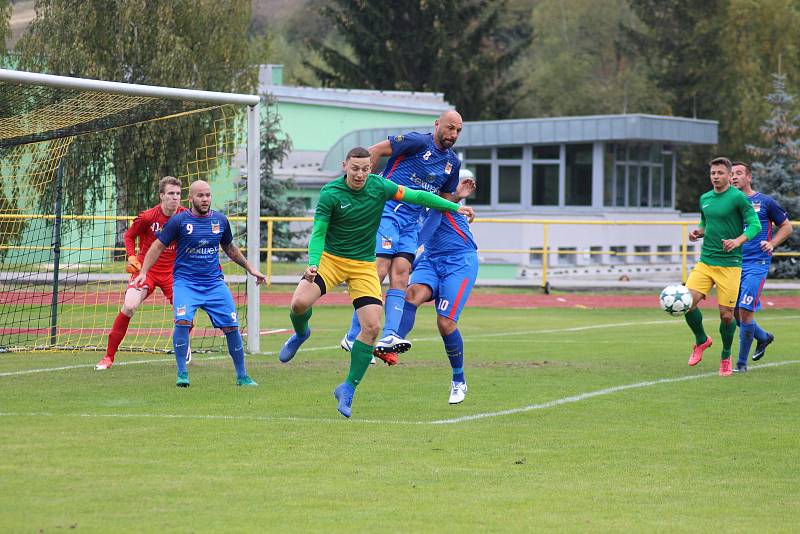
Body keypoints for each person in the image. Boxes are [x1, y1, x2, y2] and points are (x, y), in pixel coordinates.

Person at [277, 146, 474, 418]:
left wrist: (455, 206)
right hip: (331, 260)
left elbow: (417, 195)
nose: (360, 174)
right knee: (298, 304)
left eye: (366, 169)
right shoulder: (330, 193)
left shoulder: (380, 186)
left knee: (371, 327)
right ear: (345, 166)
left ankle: (347, 388)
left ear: (372, 169)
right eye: (355, 168)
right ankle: (301, 333)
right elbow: (319, 231)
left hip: (362, 265)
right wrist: (313, 262)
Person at [341, 110, 466, 357]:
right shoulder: (418, 142)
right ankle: (353, 335)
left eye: (458, 130)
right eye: (450, 128)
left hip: (411, 224)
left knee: (401, 276)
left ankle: (389, 335)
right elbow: (374, 150)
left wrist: (456, 200)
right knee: (378, 271)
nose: (453, 134)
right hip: (387, 212)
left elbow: (441, 205)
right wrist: (362, 191)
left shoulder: (453, 164)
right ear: (437, 124)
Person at [133, 180, 267, 387]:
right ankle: (182, 373)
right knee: (183, 321)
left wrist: (251, 269)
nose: (205, 199)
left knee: (232, 326)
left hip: (214, 284)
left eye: (208, 195)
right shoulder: (178, 221)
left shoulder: (220, 221)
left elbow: (230, 248)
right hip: (186, 283)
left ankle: (242, 376)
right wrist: (143, 272)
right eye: (200, 196)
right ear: (191, 199)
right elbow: (157, 246)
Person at [395, 170, 478, 404]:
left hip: (459, 262)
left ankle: (458, 379)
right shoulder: (426, 198)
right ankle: (393, 343)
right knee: (412, 294)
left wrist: (456, 199)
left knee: (445, 323)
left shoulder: (451, 206)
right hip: (431, 259)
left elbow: (434, 217)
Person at [96, 176, 187, 370]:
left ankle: (183, 344)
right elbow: (129, 236)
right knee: (129, 306)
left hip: (174, 274)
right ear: (162, 196)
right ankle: (108, 357)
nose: (175, 197)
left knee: (185, 314)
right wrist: (131, 256)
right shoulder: (148, 217)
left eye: (178, 194)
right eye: (171, 193)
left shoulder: (185, 216)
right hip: (147, 272)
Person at [684, 157, 761, 376]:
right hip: (706, 262)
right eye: (713, 173)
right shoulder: (705, 198)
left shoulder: (738, 198)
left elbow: (755, 224)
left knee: (727, 316)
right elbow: (706, 223)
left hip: (730, 265)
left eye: (719, 173)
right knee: (687, 304)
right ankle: (701, 340)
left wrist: (737, 241)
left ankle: (726, 355)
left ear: (729, 175)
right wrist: (698, 231)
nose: (715, 177)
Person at [730, 161, 793, 371]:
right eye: (732, 174)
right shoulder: (729, 203)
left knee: (745, 310)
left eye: (739, 173)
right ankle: (764, 337)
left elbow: (787, 226)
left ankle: (740, 364)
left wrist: (772, 243)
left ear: (749, 177)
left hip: (757, 263)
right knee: (735, 314)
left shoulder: (765, 202)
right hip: (733, 264)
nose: (734, 177)